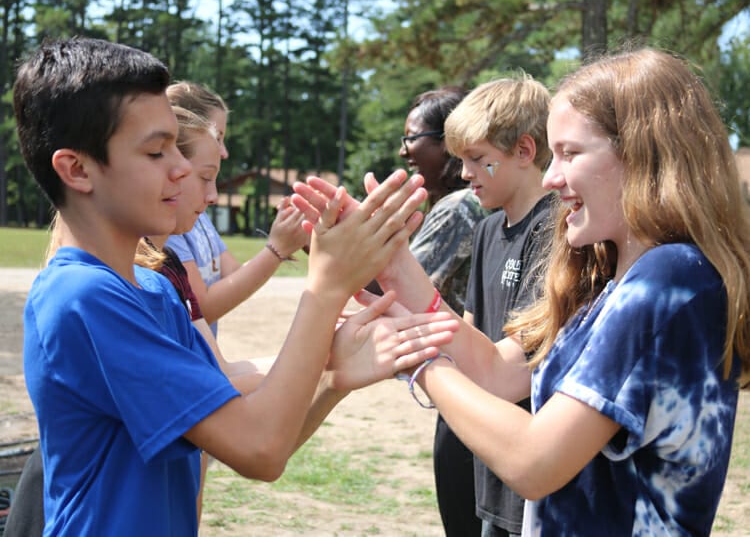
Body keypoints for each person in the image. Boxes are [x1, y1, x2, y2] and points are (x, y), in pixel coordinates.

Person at [292, 47, 750, 536]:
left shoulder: (669, 280)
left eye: (571, 154)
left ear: (643, 155)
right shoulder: (621, 278)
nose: (553, 177)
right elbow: (496, 372)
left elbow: (534, 461)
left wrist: (414, 359)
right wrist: (393, 261)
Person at [14, 37, 459, 536]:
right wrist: (327, 287)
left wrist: (332, 377)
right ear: (77, 169)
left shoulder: (152, 291)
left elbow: (261, 435)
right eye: (157, 152)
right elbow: (259, 449)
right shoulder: (84, 298)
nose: (181, 168)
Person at [443, 75, 554, 537]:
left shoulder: (557, 231)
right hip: (490, 466)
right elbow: (472, 339)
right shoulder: (488, 231)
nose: (464, 173)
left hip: (534, 463)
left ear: (524, 151)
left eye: (476, 159)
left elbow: (512, 369)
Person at [393, 86, 488, 535]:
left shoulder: (456, 208)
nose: (403, 150)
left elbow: (395, 289)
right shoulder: (484, 204)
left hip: (468, 386)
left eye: (412, 138)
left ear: (446, 141)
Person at [165, 81, 307, 336]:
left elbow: (234, 276)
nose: (224, 151)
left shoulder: (197, 214)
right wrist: (277, 249)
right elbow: (202, 306)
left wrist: (287, 233)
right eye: (217, 137)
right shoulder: (168, 225)